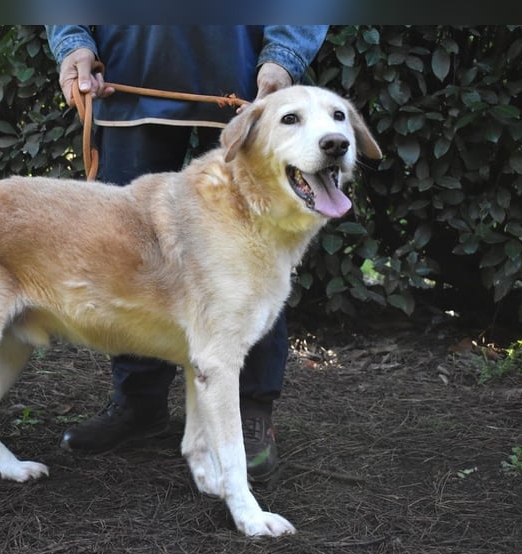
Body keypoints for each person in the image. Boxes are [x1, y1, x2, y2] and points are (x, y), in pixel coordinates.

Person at [45, 25, 329, 482]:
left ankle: (249, 410)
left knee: (254, 258)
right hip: (129, 79)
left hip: (249, 87)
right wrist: (72, 42)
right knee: (130, 254)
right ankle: (139, 401)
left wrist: (284, 56)